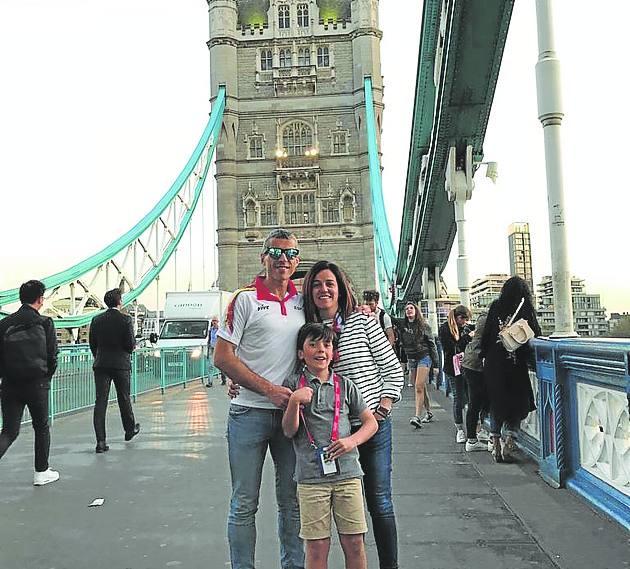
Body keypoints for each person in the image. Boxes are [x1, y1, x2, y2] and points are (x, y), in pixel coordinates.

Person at [214, 228, 305, 569]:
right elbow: (222, 357)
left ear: (298, 261)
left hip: (289, 417)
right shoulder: (245, 299)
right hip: (248, 414)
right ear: (263, 257)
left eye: (291, 254)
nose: (284, 260)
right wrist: (265, 388)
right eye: (276, 253)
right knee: (243, 503)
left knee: (292, 502)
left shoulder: (303, 302)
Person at [302, 261, 403, 569]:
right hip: (333, 435)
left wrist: (383, 410)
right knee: (336, 513)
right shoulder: (305, 328)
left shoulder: (363, 321)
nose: (324, 290)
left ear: (340, 287)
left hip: (371, 426)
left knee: (379, 501)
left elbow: (392, 369)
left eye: (329, 283)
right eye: (317, 284)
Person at [282, 323, 378, 569]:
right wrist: (294, 401)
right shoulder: (293, 383)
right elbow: (289, 430)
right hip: (311, 479)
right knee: (316, 548)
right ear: (301, 353)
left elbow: (371, 423)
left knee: (355, 542)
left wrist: (351, 441)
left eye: (326, 344)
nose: (320, 350)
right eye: (312, 344)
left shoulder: (345, 385)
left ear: (334, 351)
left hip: (348, 476)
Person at [0, 280, 60, 486]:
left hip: (9, 385)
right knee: (41, 427)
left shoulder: (4, 324)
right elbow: (52, 357)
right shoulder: (45, 322)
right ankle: (41, 472)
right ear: (40, 299)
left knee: (9, 431)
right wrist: (45, 377)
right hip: (37, 384)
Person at [480, 276, 542, 463]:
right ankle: (510, 438)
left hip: (494, 362)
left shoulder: (495, 306)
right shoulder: (525, 308)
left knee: (496, 402)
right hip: (515, 363)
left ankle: (496, 440)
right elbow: (536, 333)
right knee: (518, 403)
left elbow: (487, 334)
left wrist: (484, 355)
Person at [89, 288, 140, 453]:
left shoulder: (96, 320)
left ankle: (101, 442)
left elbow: (92, 343)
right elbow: (130, 345)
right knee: (124, 398)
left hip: (101, 364)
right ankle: (129, 430)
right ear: (120, 302)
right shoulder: (125, 320)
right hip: (121, 365)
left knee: (100, 402)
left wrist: (98, 356)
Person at [391, 302, 438, 430]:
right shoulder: (402, 325)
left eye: (411, 308)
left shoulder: (424, 326)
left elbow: (432, 345)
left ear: (416, 310)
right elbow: (389, 317)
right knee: (421, 387)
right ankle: (429, 412)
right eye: (406, 309)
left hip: (424, 357)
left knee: (418, 386)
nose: (408, 310)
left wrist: (436, 365)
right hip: (412, 359)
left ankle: (417, 416)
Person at [438, 305, 474, 443]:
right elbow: (452, 348)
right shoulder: (445, 329)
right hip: (453, 369)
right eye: (462, 318)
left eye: (466, 319)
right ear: (456, 317)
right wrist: (466, 337)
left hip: (467, 367)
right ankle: (459, 429)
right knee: (458, 398)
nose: (464, 322)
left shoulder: (467, 327)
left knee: (471, 398)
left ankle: (475, 429)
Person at [460, 312, 491, 452]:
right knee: (477, 402)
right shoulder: (491, 319)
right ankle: (473, 440)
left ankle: (477, 435)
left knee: (477, 401)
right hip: (476, 364)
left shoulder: (483, 318)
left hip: (470, 362)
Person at [206, 315, 226, 387]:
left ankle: (223, 379)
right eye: (213, 321)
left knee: (220, 365)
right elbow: (209, 339)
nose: (214, 322)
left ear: (218, 322)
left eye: (215, 321)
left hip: (219, 349)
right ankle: (210, 382)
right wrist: (208, 351)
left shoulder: (220, 330)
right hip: (211, 348)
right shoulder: (210, 330)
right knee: (210, 366)